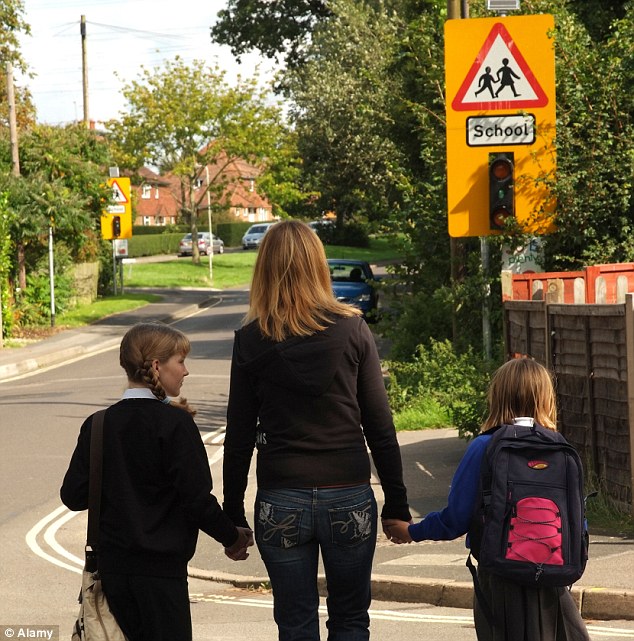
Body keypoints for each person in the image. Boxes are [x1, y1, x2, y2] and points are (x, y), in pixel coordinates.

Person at [222, 220, 411, 641]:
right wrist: (395, 503)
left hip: (280, 497)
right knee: (350, 619)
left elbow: (238, 436)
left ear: (264, 270)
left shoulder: (251, 339)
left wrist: (232, 514)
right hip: (348, 493)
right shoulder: (353, 329)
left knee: (295, 622)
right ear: (318, 267)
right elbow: (380, 426)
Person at [61, 322, 253, 641]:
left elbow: (73, 496)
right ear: (156, 365)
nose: (186, 371)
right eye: (180, 361)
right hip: (162, 575)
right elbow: (196, 501)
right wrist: (231, 538)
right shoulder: (176, 424)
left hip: (111, 573)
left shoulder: (98, 424)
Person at [383, 357, 590, 641]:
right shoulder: (558, 448)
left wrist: (411, 531)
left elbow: (456, 518)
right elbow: (578, 520)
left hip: (500, 577)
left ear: (497, 396)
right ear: (546, 398)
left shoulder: (484, 446)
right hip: (553, 578)